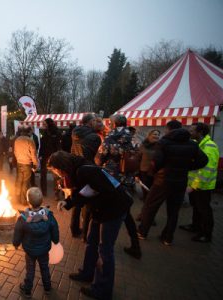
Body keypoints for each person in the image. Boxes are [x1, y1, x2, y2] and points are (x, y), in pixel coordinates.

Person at [49, 151, 132, 300]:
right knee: (91, 241)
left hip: (112, 210)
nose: (56, 173)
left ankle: (103, 290)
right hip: (100, 210)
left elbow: (99, 191)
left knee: (105, 250)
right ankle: (87, 273)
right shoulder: (78, 169)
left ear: (61, 166)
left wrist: (73, 201)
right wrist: (68, 202)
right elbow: (85, 192)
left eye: (55, 169)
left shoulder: (83, 170)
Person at [138, 120, 208, 245]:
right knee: (173, 210)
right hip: (180, 181)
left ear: (169, 129)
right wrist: (187, 167)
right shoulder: (192, 144)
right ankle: (167, 238)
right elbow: (203, 160)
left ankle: (142, 232)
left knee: (151, 205)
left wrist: (153, 173)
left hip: (162, 180)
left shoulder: (164, 143)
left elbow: (156, 162)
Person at [99, 114, 141, 259]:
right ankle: (135, 245)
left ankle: (106, 246)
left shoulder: (110, 138)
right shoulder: (135, 138)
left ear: (114, 124)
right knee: (126, 213)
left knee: (112, 214)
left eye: (110, 122)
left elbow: (100, 158)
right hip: (128, 180)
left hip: (113, 181)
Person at [13, 187, 59, 298]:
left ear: (28, 201)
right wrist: (55, 240)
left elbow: (18, 232)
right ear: (42, 200)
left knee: (30, 269)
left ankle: (27, 290)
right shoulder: (49, 216)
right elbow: (55, 228)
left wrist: (16, 243)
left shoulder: (23, 218)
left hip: (30, 250)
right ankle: (47, 287)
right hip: (44, 249)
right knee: (44, 267)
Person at [179, 122, 219, 243]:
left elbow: (208, 169)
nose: (190, 133)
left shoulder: (210, 146)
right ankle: (195, 226)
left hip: (203, 186)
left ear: (200, 132)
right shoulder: (199, 144)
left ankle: (206, 234)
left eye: (192, 131)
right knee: (196, 207)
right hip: (194, 185)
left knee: (204, 210)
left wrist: (194, 186)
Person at [70, 114, 102, 240]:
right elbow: (93, 156)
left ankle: (74, 229)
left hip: (75, 168)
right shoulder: (94, 137)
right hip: (88, 170)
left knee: (77, 199)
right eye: (95, 120)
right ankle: (85, 234)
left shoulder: (75, 132)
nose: (97, 122)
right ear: (90, 122)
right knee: (87, 201)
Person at [14, 126, 38, 205]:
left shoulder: (17, 140)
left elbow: (15, 152)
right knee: (25, 182)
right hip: (27, 164)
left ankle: (16, 199)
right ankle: (23, 201)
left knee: (18, 181)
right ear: (28, 132)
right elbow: (33, 154)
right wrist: (35, 164)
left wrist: (18, 159)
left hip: (19, 163)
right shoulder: (29, 141)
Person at [39, 118, 61, 198]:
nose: (43, 125)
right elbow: (42, 145)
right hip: (45, 156)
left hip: (53, 156)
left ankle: (56, 193)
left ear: (49, 124)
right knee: (43, 174)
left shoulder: (57, 132)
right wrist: (40, 155)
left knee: (56, 175)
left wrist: (57, 155)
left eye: (45, 124)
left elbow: (58, 146)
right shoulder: (45, 132)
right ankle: (43, 191)